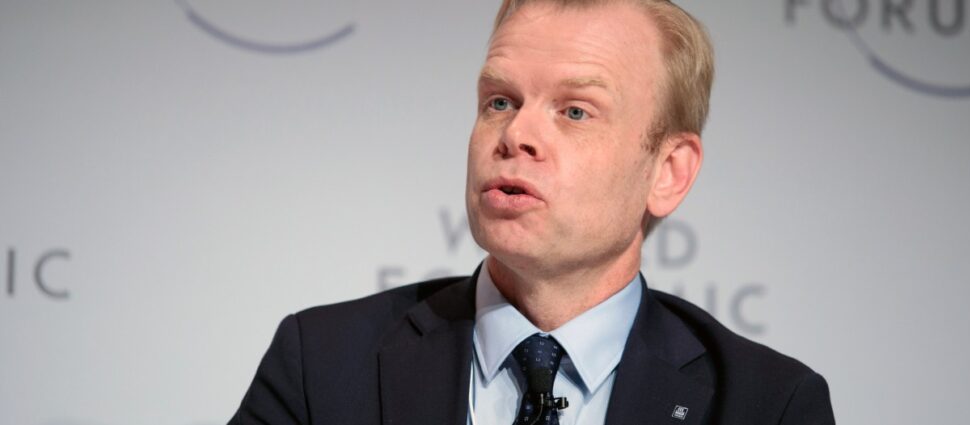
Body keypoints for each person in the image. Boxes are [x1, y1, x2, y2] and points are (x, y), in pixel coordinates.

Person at [230, 0, 835, 424]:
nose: (516, 134)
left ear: (668, 172)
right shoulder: (323, 364)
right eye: (500, 101)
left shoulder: (768, 405)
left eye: (575, 111)